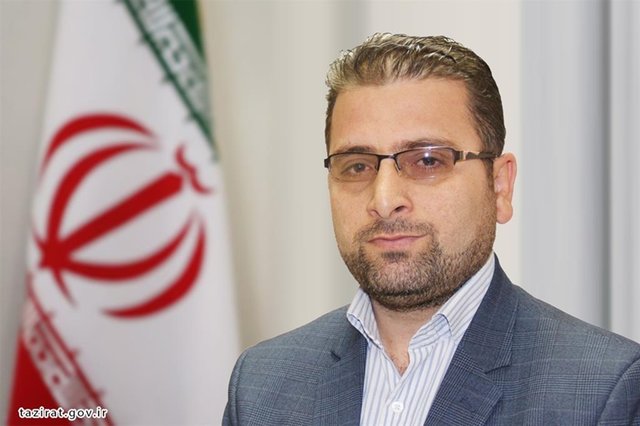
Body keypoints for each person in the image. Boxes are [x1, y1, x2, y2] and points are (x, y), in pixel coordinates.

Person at [223, 33, 640, 425]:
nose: (384, 199)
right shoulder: (263, 386)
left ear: (499, 186)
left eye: (427, 161)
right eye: (358, 166)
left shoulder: (603, 390)